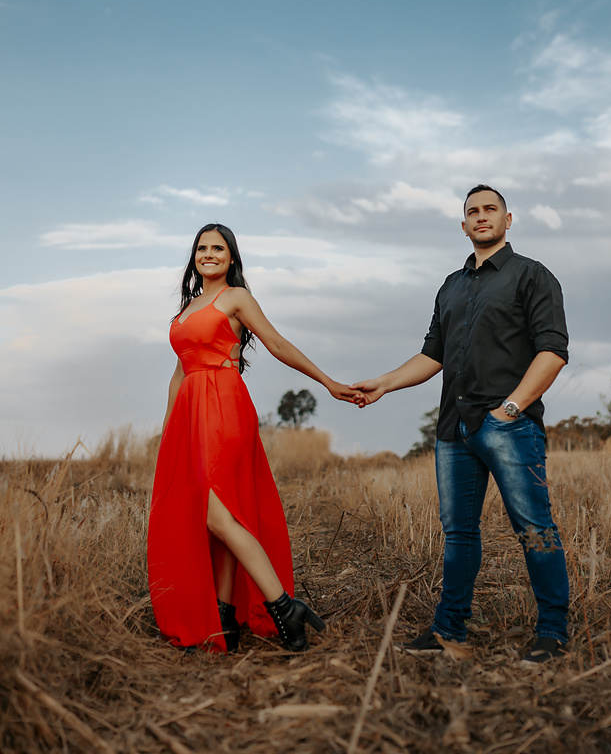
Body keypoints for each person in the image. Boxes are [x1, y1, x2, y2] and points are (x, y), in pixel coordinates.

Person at [352, 184, 571, 665]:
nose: (481, 217)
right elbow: (433, 355)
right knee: (459, 534)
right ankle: (450, 630)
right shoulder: (451, 285)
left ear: (508, 219)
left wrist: (510, 409)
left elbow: (552, 352)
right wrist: (384, 383)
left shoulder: (532, 277)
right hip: (454, 429)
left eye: (490, 209)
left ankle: (554, 632)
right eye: (472, 211)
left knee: (535, 528)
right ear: (464, 223)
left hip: (509, 427)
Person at [147, 223, 357, 653]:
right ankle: (224, 619)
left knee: (217, 515)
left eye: (218, 248)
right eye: (202, 248)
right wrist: (168, 432)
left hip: (223, 407)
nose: (209, 254)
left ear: (230, 257)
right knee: (221, 515)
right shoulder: (187, 308)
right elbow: (179, 372)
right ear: (194, 257)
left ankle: (282, 604)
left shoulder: (237, 298)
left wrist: (327, 381)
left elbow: (276, 343)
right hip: (189, 412)